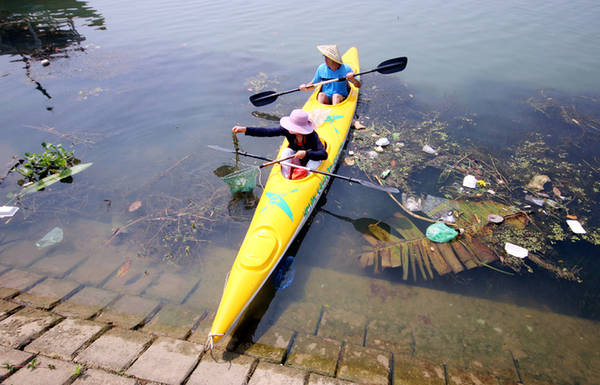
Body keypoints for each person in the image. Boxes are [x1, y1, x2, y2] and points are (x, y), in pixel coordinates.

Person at [232, 109, 327, 179]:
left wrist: (306, 154)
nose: (289, 127)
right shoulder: (287, 130)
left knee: (313, 162)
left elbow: (323, 154)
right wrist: (245, 129)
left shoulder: (312, 136)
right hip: (297, 159)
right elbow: (267, 132)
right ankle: (285, 178)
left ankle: (304, 178)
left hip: (311, 160)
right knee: (286, 151)